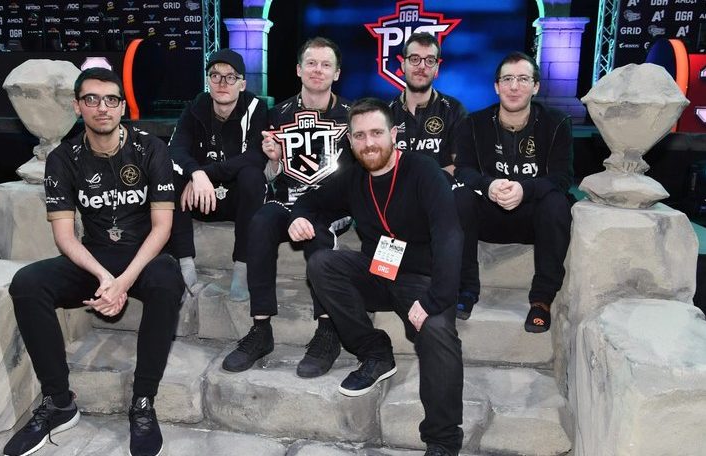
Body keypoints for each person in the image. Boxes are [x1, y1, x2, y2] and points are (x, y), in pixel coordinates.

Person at [4, 67, 183, 456]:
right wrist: (104, 277)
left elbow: (162, 228)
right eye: (92, 99)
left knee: (168, 277)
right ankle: (59, 403)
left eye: (111, 99)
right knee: (27, 284)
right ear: (77, 106)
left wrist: (123, 283)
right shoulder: (63, 158)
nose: (102, 108)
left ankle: (143, 401)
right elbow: (65, 237)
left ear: (122, 107)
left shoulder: (151, 148)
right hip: (94, 257)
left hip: (142, 256)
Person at [292, 98, 464, 456]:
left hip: (419, 279)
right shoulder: (353, 176)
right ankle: (375, 352)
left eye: (376, 133)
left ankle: (442, 440)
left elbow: (449, 235)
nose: (368, 143)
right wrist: (299, 218)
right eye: (359, 136)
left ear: (393, 134)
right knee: (322, 264)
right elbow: (311, 201)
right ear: (350, 140)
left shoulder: (423, 170)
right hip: (378, 270)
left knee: (437, 331)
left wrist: (435, 300)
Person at [222, 37, 354, 379]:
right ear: (298, 69)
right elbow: (268, 176)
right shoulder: (278, 114)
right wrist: (274, 160)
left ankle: (327, 331)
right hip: (287, 199)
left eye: (326, 64)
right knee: (261, 221)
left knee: (319, 235)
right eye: (311, 63)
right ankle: (261, 329)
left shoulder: (352, 115)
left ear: (337, 73)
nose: (317, 70)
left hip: (330, 205)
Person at [453, 51, 573, 332]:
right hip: (489, 215)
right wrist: (489, 185)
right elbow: (463, 170)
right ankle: (466, 289)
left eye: (523, 79)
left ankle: (541, 300)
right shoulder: (474, 123)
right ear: (497, 87)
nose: (514, 86)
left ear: (536, 86)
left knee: (557, 203)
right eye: (507, 79)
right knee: (459, 197)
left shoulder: (557, 122)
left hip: (533, 218)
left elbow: (562, 176)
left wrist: (525, 189)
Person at [167, 48, 268, 301]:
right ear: (208, 81)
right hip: (200, 200)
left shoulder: (256, 108)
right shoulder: (195, 107)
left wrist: (203, 173)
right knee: (169, 176)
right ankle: (185, 265)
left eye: (230, 77)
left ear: (242, 84)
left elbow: (255, 157)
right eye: (215, 76)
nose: (222, 83)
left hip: (237, 200)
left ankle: (242, 269)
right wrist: (194, 173)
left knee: (252, 176)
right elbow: (175, 149)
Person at [390, 32, 467, 176]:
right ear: (403, 65)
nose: (422, 66)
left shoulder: (454, 110)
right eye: (414, 59)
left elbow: (462, 167)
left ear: (437, 68)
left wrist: (425, 181)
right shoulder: (386, 113)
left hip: (444, 189)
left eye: (430, 61)